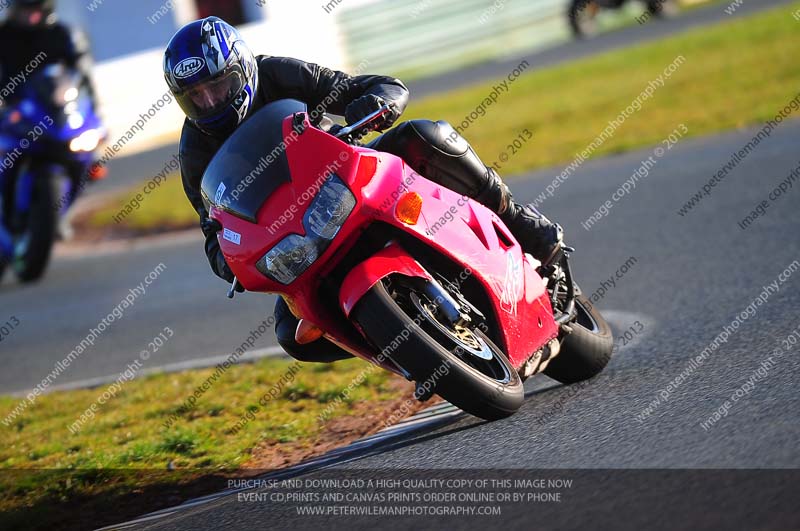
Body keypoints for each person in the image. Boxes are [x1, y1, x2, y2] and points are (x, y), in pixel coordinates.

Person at [164, 17, 564, 363]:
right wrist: (231, 259)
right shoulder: (195, 150)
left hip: (345, 171)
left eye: (217, 85)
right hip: (294, 234)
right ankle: (403, 349)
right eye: (195, 96)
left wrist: (376, 102)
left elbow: (368, 86)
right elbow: (212, 229)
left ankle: (518, 218)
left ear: (242, 68)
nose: (210, 101)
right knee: (293, 334)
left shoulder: (277, 73)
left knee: (427, 135)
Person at [0, 0, 97, 239]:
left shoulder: (62, 34)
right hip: (14, 114)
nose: (32, 18)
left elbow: (82, 75)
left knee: (88, 157)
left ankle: (61, 214)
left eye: (37, 11)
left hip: (55, 115)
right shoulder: (4, 37)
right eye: (26, 12)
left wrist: (90, 110)